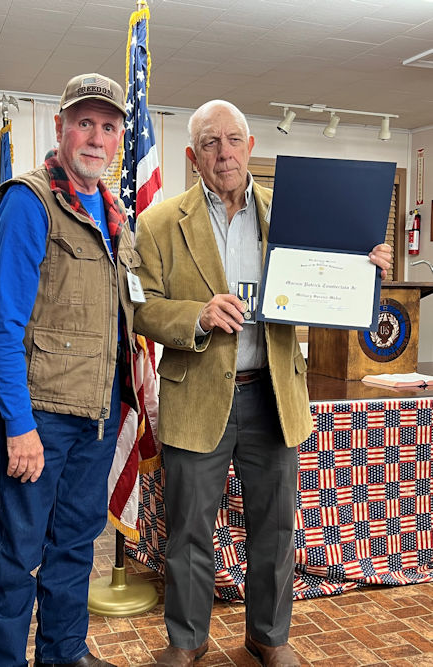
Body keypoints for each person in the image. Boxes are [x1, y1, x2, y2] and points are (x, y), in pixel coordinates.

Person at [133, 99, 392, 667]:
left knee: (275, 531)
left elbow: (333, 279)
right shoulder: (157, 223)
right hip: (197, 395)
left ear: (251, 148)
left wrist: (365, 268)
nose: (223, 153)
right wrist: (195, 316)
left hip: (271, 394)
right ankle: (187, 640)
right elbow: (142, 310)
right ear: (192, 156)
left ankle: (268, 638)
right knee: (189, 532)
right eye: (209, 143)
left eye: (233, 140)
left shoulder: (293, 213)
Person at [0, 73, 140, 667]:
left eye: (109, 126)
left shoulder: (115, 215)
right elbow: (3, 326)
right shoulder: (30, 200)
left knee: (74, 551)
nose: (96, 137)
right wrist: (18, 426)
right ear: (61, 129)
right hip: (39, 421)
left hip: (97, 418)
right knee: (17, 559)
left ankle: (64, 655)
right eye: (85, 123)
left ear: (121, 137)